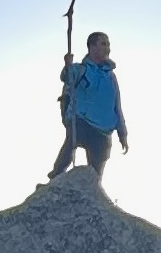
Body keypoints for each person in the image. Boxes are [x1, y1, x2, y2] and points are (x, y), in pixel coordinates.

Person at [48, 30, 128, 179]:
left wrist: (122, 133)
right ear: (92, 46)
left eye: (108, 44)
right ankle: (56, 177)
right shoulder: (81, 69)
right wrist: (67, 65)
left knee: (96, 172)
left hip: (103, 129)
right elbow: (67, 77)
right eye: (103, 43)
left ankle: (92, 190)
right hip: (81, 119)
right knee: (70, 145)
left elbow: (117, 105)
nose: (107, 48)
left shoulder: (110, 76)